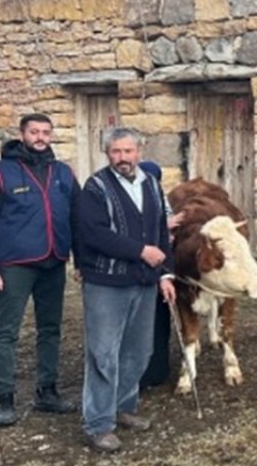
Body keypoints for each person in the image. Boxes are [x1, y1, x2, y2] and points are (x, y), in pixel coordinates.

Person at [0, 113, 79, 427]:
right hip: (14, 265)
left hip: (53, 261)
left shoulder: (63, 173)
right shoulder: (0, 172)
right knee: (7, 332)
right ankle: (4, 397)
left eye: (46, 132)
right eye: (34, 132)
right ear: (22, 134)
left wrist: (81, 261)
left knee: (51, 329)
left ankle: (47, 391)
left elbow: (77, 219)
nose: (40, 137)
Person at [74, 127, 176, 453]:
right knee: (103, 353)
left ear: (139, 152)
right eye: (116, 152)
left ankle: (123, 406)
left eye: (128, 151)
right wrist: (140, 251)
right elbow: (95, 234)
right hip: (106, 282)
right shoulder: (96, 187)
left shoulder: (152, 184)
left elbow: (161, 231)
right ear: (108, 154)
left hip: (145, 281)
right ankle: (99, 424)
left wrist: (166, 274)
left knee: (138, 351)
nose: (123, 158)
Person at [138, 160, 183, 391]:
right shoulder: (131, 196)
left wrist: (167, 274)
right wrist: (168, 224)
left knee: (159, 320)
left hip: (159, 265)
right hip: (136, 265)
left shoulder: (160, 198)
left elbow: (165, 235)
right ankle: (139, 373)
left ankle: (158, 369)